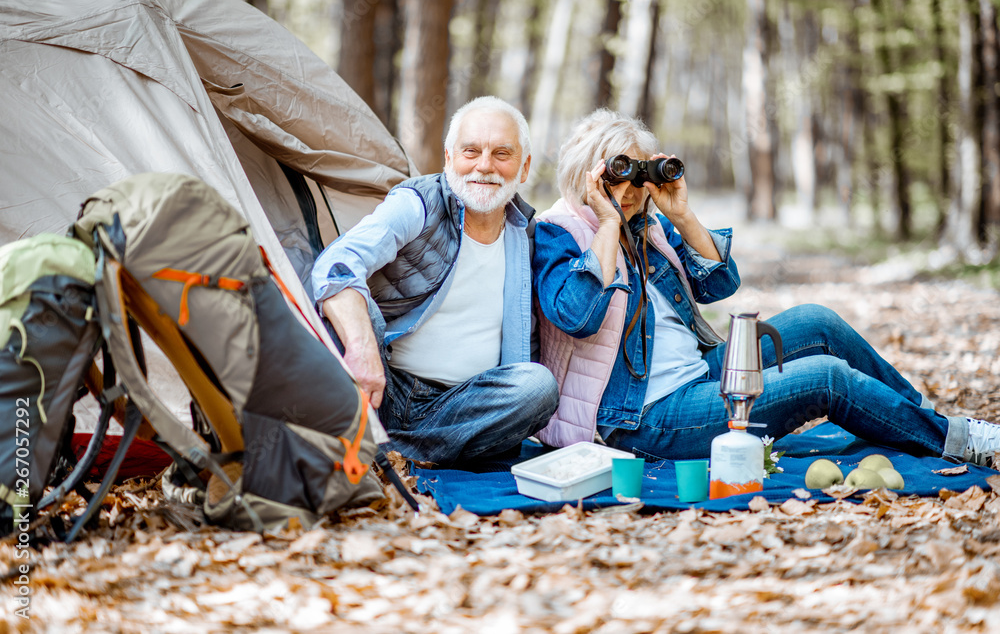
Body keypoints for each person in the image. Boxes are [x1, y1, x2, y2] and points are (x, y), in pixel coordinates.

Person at [531, 108, 1000, 468]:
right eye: (618, 174)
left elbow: (719, 284)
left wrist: (681, 215)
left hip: (699, 375)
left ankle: (920, 420)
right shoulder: (559, 231)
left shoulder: (646, 224)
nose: (631, 190)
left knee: (818, 323)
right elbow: (580, 314)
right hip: (643, 418)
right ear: (586, 175)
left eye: (639, 174)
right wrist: (608, 223)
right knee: (826, 377)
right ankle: (955, 439)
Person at [311, 96, 558, 468]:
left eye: (501, 154)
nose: (484, 166)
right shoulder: (418, 203)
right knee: (342, 316)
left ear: (523, 168)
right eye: (470, 151)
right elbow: (337, 265)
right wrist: (362, 348)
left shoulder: (528, 235)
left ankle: (393, 453)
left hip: (464, 406)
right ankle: (414, 449)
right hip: (384, 387)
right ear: (448, 158)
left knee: (537, 387)